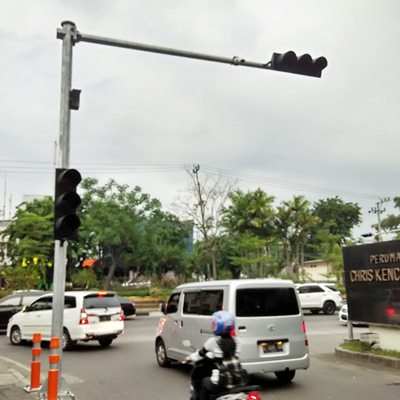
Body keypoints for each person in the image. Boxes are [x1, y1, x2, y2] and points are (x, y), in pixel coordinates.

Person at [186, 310, 248, 400]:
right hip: (239, 378)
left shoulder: (213, 341)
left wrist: (189, 357)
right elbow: (230, 355)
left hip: (222, 380)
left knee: (204, 382)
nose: (212, 326)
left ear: (219, 326)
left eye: (214, 324)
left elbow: (199, 355)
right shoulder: (237, 341)